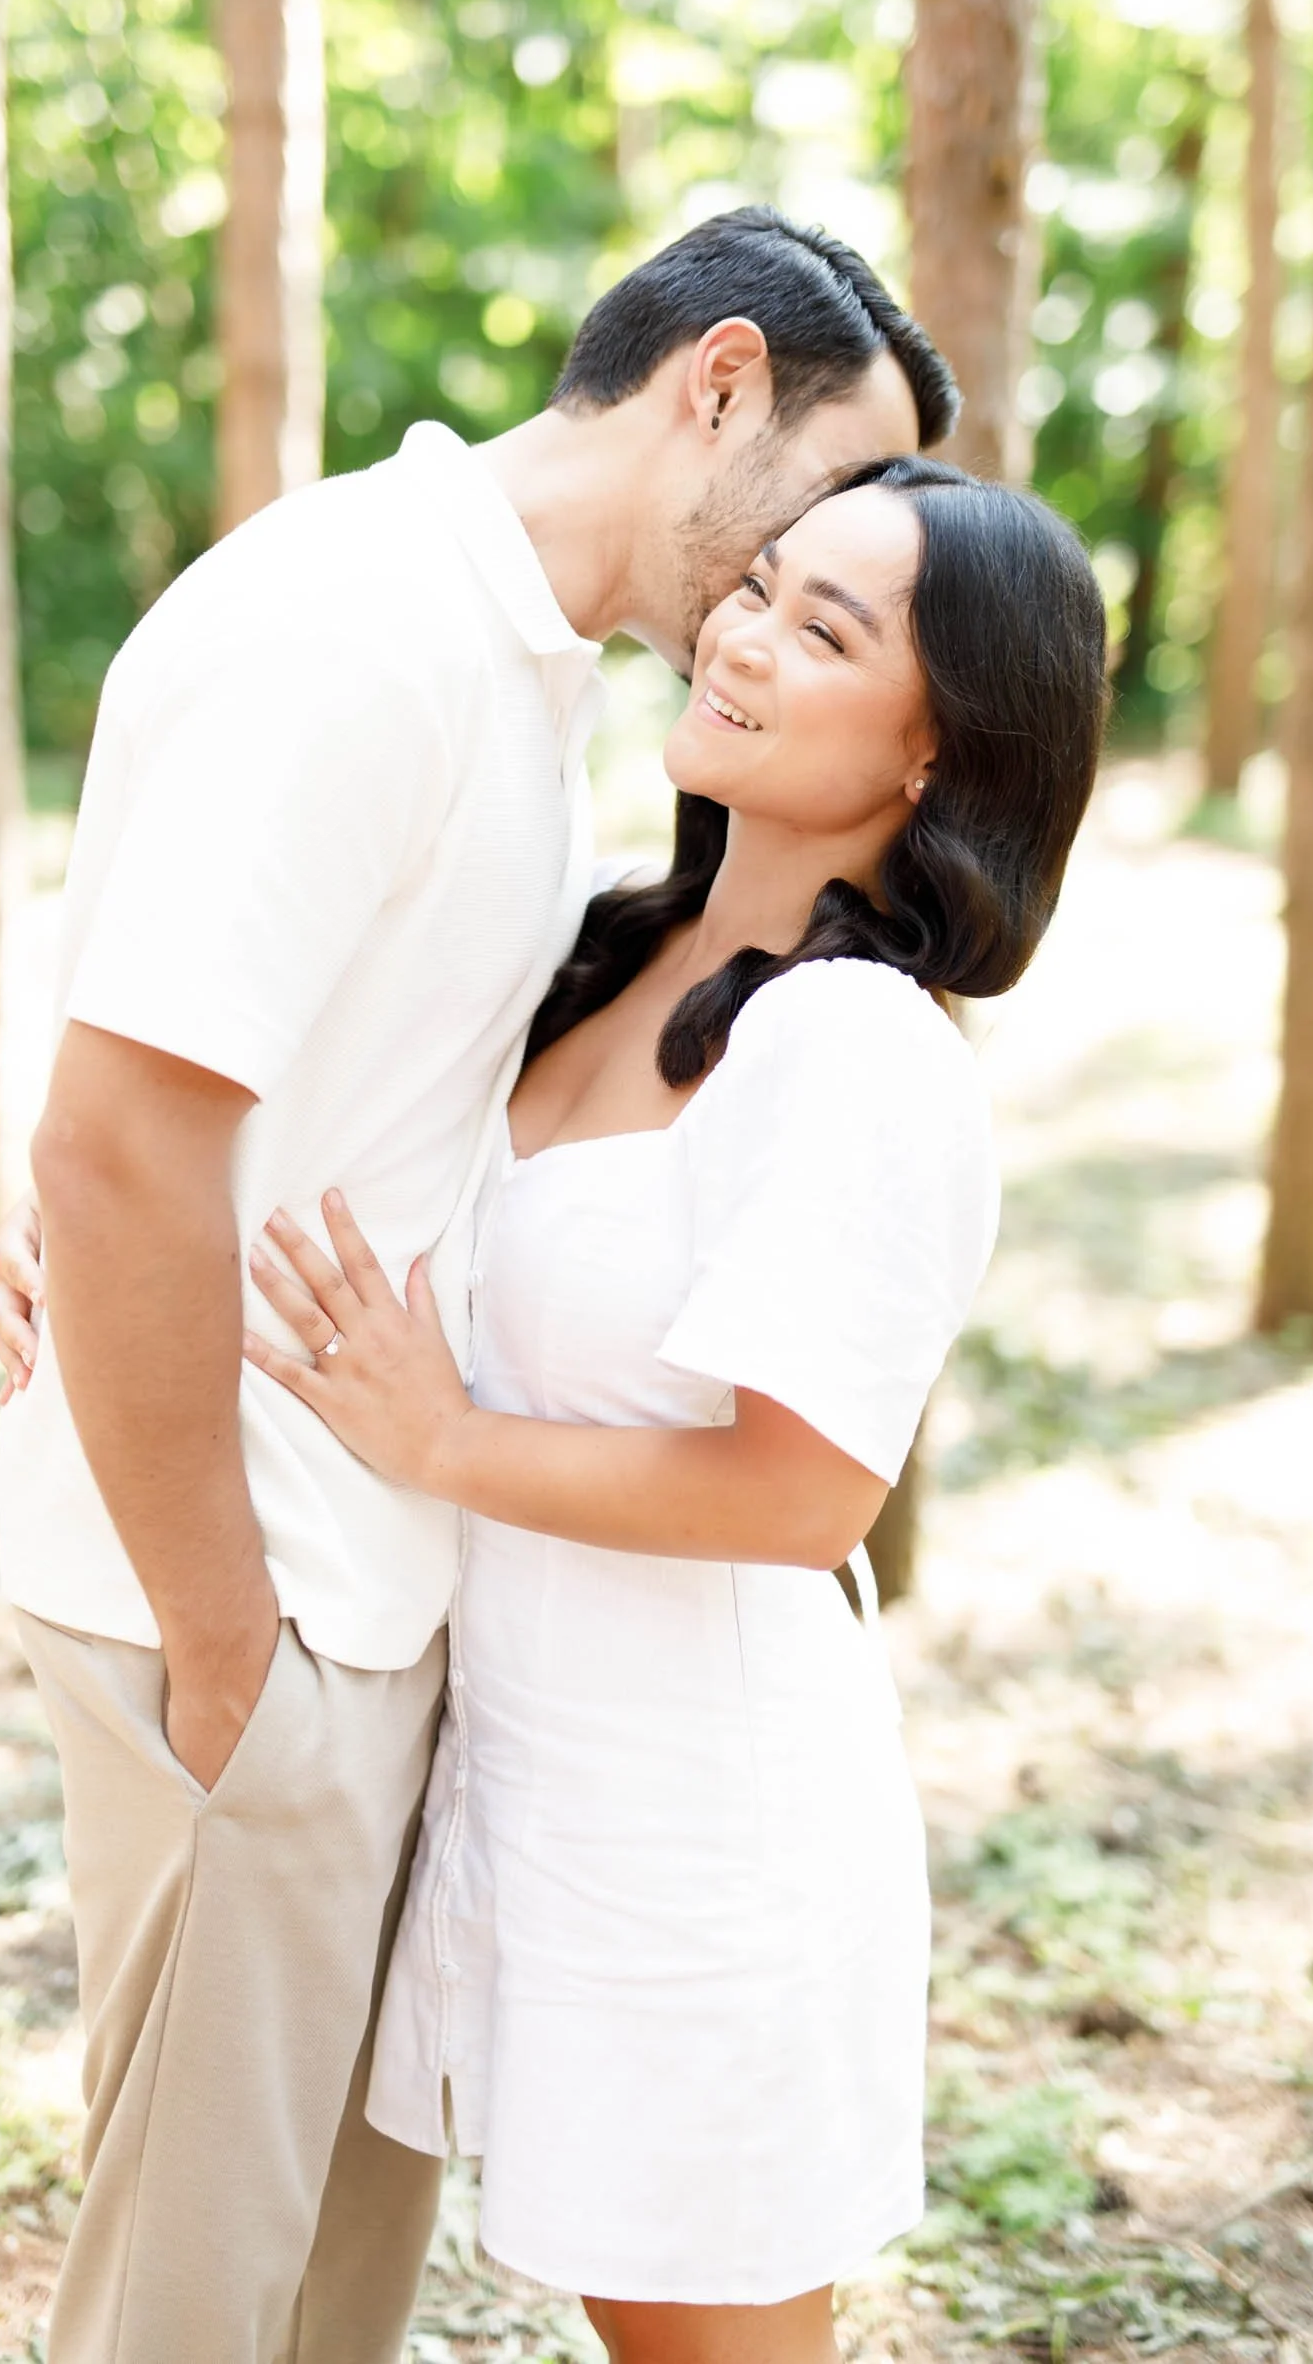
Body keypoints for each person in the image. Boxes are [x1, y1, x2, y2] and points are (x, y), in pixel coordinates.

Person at [0, 209, 958, 2364]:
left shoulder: (516, 685)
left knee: (310, 2307)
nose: (784, 599)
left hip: (374, 1614)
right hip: (256, 1605)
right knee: (190, 2312)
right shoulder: (366, 628)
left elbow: (252, 1068)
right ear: (715, 384)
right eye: (809, 520)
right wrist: (232, 1630)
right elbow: (123, 1127)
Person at [236, 458, 1108, 2364]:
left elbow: (803, 1498)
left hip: (700, 1823)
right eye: (759, 586)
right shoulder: (616, 950)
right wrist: (83, 1227)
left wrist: (443, 1441)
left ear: (933, 754)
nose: (738, 632)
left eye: (824, 629)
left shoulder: (855, 1050)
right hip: (530, 1775)